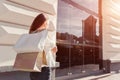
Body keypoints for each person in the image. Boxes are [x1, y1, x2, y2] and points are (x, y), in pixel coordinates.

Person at [29, 13, 57, 80]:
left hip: (33, 68)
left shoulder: (31, 34)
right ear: (44, 23)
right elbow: (54, 49)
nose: (47, 25)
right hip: (43, 68)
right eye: (47, 22)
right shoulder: (44, 34)